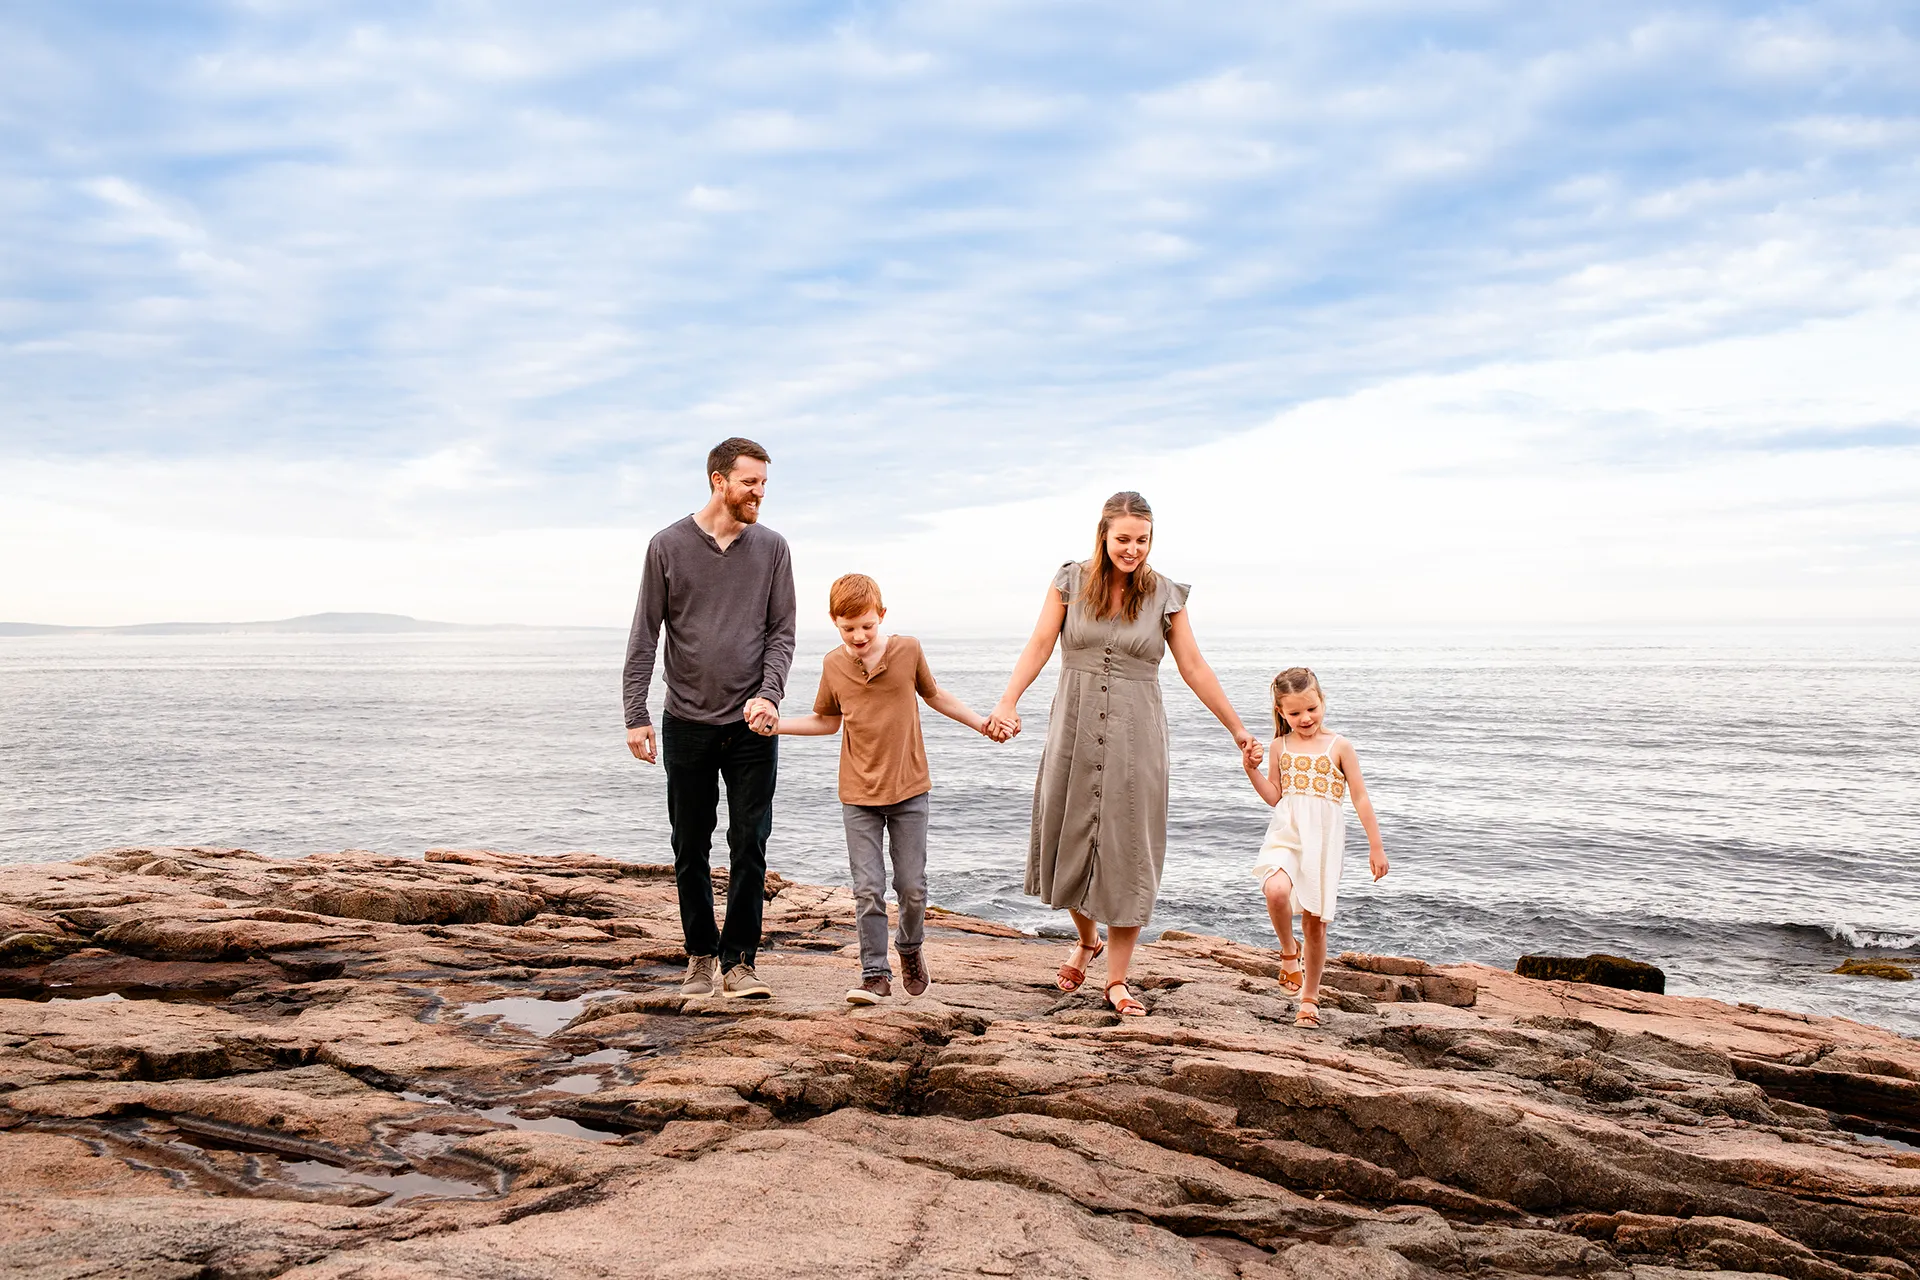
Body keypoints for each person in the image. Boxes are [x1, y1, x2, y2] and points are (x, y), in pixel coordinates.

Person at [986, 491, 1263, 1017]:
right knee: (1066, 838)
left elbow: (1194, 667)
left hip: (1138, 735)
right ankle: (1086, 939)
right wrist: (1008, 699)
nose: (1132, 549)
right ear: (1104, 535)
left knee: (1130, 848)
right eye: (1123, 539)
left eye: (1142, 540)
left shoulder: (1165, 594)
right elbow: (1041, 643)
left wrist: (1237, 729)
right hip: (1074, 724)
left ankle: (1116, 980)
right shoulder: (1069, 581)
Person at [761, 574, 1000, 1004]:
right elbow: (827, 722)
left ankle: (909, 948)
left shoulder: (907, 650)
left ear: (881, 616)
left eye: (867, 626)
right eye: (848, 627)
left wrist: (981, 723)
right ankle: (874, 973)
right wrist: (778, 726)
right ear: (834, 621)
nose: (858, 635)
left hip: (910, 790)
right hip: (858, 796)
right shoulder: (834, 665)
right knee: (868, 888)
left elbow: (935, 695)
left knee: (911, 887)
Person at [623, 437, 797, 1000]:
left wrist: (770, 695)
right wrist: (635, 713)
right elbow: (645, 633)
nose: (760, 493)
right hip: (687, 722)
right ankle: (700, 955)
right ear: (719, 481)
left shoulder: (773, 548)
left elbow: (781, 633)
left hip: (752, 725)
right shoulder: (667, 546)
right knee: (689, 843)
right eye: (751, 482)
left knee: (750, 843)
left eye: (764, 484)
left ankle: (740, 962)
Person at [1244, 667, 1388, 1029]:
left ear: (1322, 702)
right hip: (1287, 831)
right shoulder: (1279, 747)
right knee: (1275, 889)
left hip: (1323, 839)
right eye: (1294, 713)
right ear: (1281, 712)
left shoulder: (1339, 746)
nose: (1305, 718)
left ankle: (1309, 999)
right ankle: (1288, 952)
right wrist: (1251, 770)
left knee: (1315, 924)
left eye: (1311, 709)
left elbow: (1360, 798)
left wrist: (1376, 846)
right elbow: (1275, 797)